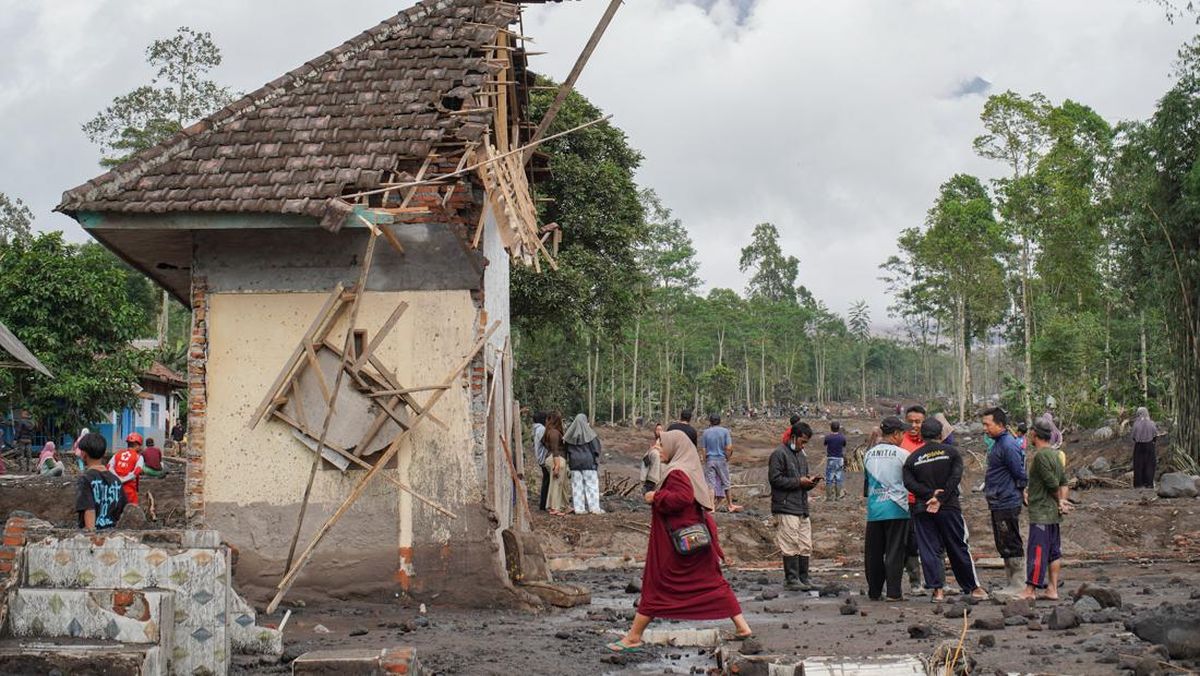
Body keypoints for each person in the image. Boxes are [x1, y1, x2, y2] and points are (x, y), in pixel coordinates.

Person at [608, 431, 751, 652]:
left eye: (662, 444)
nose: (658, 448)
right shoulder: (690, 468)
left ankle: (634, 637)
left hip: (678, 544)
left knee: (657, 584)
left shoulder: (677, 472)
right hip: (695, 542)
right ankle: (742, 628)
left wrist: (655, 497)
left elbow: (682, 499)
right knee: (712, 582)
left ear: (675, 447)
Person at [903, 418, 987, 602]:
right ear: (941, 435)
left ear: (922, 435)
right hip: (949, 507)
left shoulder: (912, 459)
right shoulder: (952, 453)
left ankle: (937, 591)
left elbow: (908, 483)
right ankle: (973, 588)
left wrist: (929, 495)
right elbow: (955, 478)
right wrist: (940, 497)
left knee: (929, 549)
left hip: (922, 508)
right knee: (958, 545)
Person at [1019, 418, 1072, 600]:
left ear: (1035, 434)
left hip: (1042, 512)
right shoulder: (1056, 455)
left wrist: (1059, 501)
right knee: (1054, 552)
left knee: (1038, 551)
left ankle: (1030, 590)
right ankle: (1052, 589)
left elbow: (1052, 483)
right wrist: (1063, 501)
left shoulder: (1041, 456)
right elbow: (1064, 482)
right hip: (1053, 515)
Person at [863, 417, 912, 601]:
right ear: (896, 434)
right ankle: (893, 592)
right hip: (897, 507)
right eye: (902, 434)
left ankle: (874, 592)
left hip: (875, 509)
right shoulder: (902, 454)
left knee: (874, 553)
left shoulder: (868, 454)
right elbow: (908, 480)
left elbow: (867, 483)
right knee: (894, 551)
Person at [769, 422, 821, 591]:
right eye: (802, 441)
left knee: (805, 543)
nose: (803, 445)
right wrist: (799, 481)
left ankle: (803, 577)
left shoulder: (801, 456)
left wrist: (810, 482)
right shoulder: (779, 454)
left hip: (801, 506)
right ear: (793, 437)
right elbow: (775, 479)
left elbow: (802, 480)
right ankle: (791, 579)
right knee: (790, 543)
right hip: (786, 506)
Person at [982, 407, 1028, 597]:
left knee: (1010, 538)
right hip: (998, 499)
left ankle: (1018, 583)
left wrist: (1021, 491)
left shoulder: (1008, 445)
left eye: (987, 424)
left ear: (1000, 425)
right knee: (1003, 540)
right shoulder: (998, 444)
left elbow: (1019, 472)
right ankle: (1011, 582)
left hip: (1006, 500)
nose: (985, 428)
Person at [898, 405, 928, 594]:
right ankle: (915, 582)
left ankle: (937, 582)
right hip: (905, 500)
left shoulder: (930, 443)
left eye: (918, 422)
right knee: (910, 542)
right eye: (911, 422)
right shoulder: (900, 443)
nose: (914, 425)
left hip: (927, 500)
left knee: (934, 540)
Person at [75, 432, 125, 530]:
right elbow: (122, 511)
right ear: (103, 453)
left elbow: (89, 511)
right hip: (112, 536)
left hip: (95, 539)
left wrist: (92, 536)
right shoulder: (116, 481)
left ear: (84, 454)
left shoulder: (85, 479)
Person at [565, 413, 604, 515]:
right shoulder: (591, 435)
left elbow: (566, 450)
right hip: (589, 464)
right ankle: (594, 508)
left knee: (577, 486)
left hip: (574, 464)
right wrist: (596, 460)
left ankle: (579, 509)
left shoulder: (569, 435)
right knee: (592, 486)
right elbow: (596, 449)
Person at [701, 415, 740, 512]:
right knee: (726, 482)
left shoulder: (705, 432)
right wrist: (727, 457)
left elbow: (703, 449)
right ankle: (730, 505)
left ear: (710, 422)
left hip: (710, 459)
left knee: (711, 484)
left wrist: (705, 460)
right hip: (721, 459)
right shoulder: (725, 431)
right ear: (720, 421)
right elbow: (729, 447)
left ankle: (711, 507)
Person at [108, 432, 145, 507]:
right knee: (132, 510)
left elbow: (109, 466)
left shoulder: (118, 454)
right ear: (137, 445)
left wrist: (117, 478)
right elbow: (136, 472)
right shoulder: (139, 457)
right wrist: (123, 479)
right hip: (129, 490)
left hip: (115, 488)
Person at [544, 412, 570, 515]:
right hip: (557, 459)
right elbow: (555, 450)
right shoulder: (554, 433)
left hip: (555, 458)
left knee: (562, 484)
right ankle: (554, 508)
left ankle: (563, 506)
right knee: (557, 484)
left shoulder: (549, 431)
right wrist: (557, 465)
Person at [1131, 407, 1158, 489]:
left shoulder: (1136, 423)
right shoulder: (1151, 423)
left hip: (1139, 446)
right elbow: (1155, 434)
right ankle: (1149, 483)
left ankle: (1138, 484)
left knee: (1138, 465)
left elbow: (1133, 437)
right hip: (1149, 446)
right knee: (1149, 464)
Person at [823, 421, 847, 501]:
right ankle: (837, 497)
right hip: (839, 459)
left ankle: (829, 497)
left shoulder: (828, 437)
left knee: (829, 479)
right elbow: (844, 445)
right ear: (839, 428)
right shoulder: (842, 437)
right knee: (839, 478)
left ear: (831, 428)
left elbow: (825, 444)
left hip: (831, 459)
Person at [531, 412, 549, 511]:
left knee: (546, 480)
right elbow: (546, 443)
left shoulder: (537, 429)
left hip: (540, 458)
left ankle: (544, 503)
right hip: (544, 458)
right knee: (547, 481)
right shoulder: (541, 429)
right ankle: (544, 504)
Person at [641, 423, 665, 493]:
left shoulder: (665, 440)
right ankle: (645, 481)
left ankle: (651, 483)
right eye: (657, 429)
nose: (659, 431)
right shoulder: (655, 440)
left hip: (662, 459)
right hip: (654, 458)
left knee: (656, 456)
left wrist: (656, 448)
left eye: (660, 429)